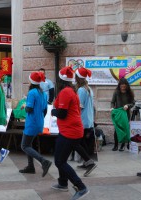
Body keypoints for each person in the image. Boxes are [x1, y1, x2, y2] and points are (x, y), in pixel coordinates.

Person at [51, 66, 89, 200]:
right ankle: (62, 183)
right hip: (70, 130)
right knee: (60, 158)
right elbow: (60, 105)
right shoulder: (69, 90)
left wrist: (53, 112)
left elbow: (61, 113)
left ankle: (81, 187)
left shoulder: (66, 92)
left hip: (70, 131)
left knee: (59, 161)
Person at [19, 71, 52, 177]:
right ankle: (30, 166)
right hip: (39, 122)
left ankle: (43, 161)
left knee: (24, 145)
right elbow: (45, 110)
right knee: (29, 144)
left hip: (31, 123)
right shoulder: (43, 93)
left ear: (31, 81)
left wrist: (24, 105)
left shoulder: (32, 92)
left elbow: (29, 109)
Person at [74, 67, 97, 176]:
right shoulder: (88, 89)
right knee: (84, 143)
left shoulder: (81, 90)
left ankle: (88, 163)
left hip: (83, 120)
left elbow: (80, 106)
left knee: (79, 143)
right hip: (88, 120)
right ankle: (86, 162)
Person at [110, 78, 135, 151]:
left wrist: (128, 105)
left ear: (126, 86)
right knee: (117, 129)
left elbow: (133, 103)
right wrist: (112, 108)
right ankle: (116, 145)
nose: (123, 88)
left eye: (124, 87)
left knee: (124, 129)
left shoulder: (130, 92)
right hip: (118, 113)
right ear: (119, 86)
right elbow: (112, 102)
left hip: (126, 114)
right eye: (121, 86)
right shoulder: (116, 92)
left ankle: (123, 145)